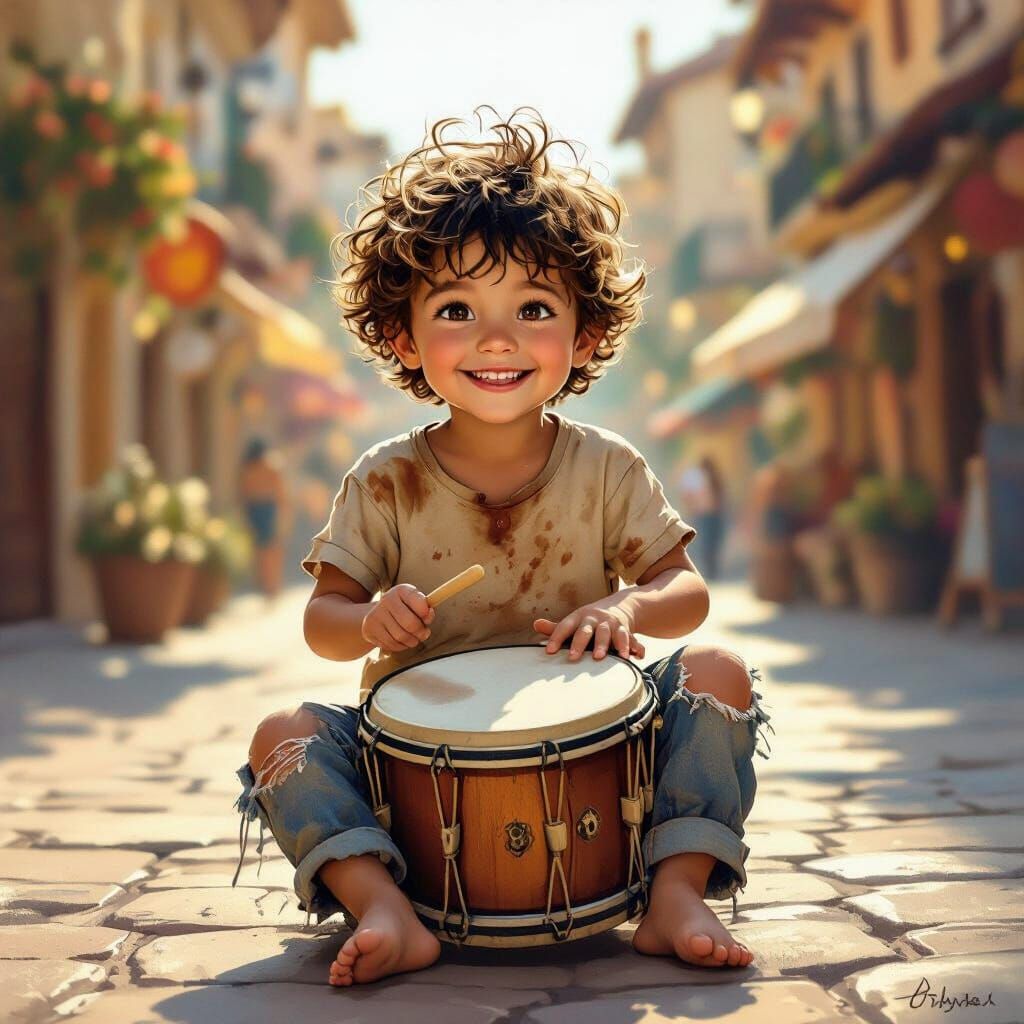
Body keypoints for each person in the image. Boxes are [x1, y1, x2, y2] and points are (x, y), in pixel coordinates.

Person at [232, 109, 772, 987]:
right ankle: (386, 903)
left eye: (533, 309)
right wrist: (369, 617)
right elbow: (323, 625)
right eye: (456, 310)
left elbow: (686, 590)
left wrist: (627, 605)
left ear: (584, 334)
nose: (497, 338)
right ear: (403, 337)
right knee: (280, 736)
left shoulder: (607, 467)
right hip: (418, 785)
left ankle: (675, 888)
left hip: (600, 768)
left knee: (717, 669)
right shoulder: (384, 479)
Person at [239, 438, 289, 600]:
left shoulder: (247, 468)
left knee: (261, 549)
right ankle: (273, 585)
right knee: (272, 547)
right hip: (268, 508)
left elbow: (244, 491)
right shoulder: (271, 464)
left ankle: (267, 584)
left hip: (254, 508)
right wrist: (284, 510)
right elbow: (280, 489)